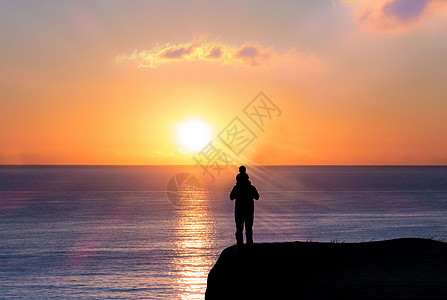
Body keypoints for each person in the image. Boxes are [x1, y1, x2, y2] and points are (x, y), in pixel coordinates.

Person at [230, 166, 259, 247]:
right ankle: (249, 245)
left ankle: (240, 245)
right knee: (248, 229)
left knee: (239, 229)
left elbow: (231, 197)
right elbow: (257, 197)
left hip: (239, 211)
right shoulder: (251, 187)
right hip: (249, 210)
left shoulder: (237, 187)